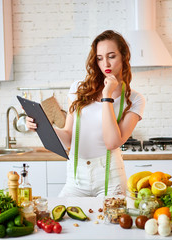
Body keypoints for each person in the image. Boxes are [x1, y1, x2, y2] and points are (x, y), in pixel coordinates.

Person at [26, 30, 145, 197]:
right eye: (100, 58)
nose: (106, 64)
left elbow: (112, 142)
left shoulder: (134, 99)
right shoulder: (78, 89)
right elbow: (68, 136)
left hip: (110, 178)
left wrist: (107, 96)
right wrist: (42, 126)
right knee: (61, 219)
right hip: (76, 177)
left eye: (111, 56)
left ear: (124, 57)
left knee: (110, 222)